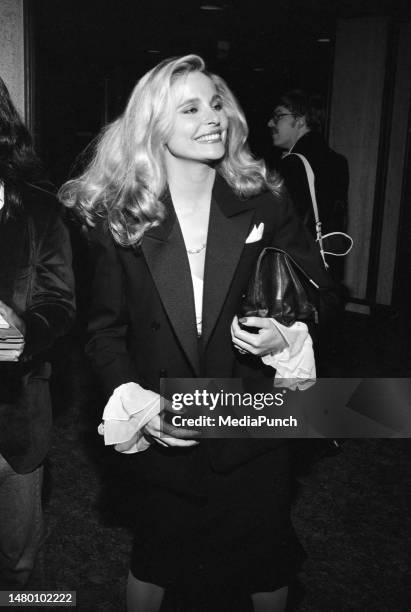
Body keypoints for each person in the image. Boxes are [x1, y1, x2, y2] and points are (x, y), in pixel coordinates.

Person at [59, 55, 334, 611]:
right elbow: (104, 333)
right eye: (190, 108)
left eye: (215, 104)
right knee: (155, 562)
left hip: (253, 415)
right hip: (170, 417)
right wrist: (135, 400)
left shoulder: (263, 199)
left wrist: (289, 336)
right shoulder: (125, 217)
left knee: (267, 565)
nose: (213, 117)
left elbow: (322, 291)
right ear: (155, 126)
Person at [0, 76, 75, 587]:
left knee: (22, 567)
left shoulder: (39, 209)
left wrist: (23, 332)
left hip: (15, 415)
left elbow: (59, 301)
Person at [267, 89, 349, 283]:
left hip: (295, 271)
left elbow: (283, 227)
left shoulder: (292, 164)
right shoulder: (338, 161)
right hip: (326, 267)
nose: (270, 123)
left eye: (278, 116)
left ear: (301, 120)